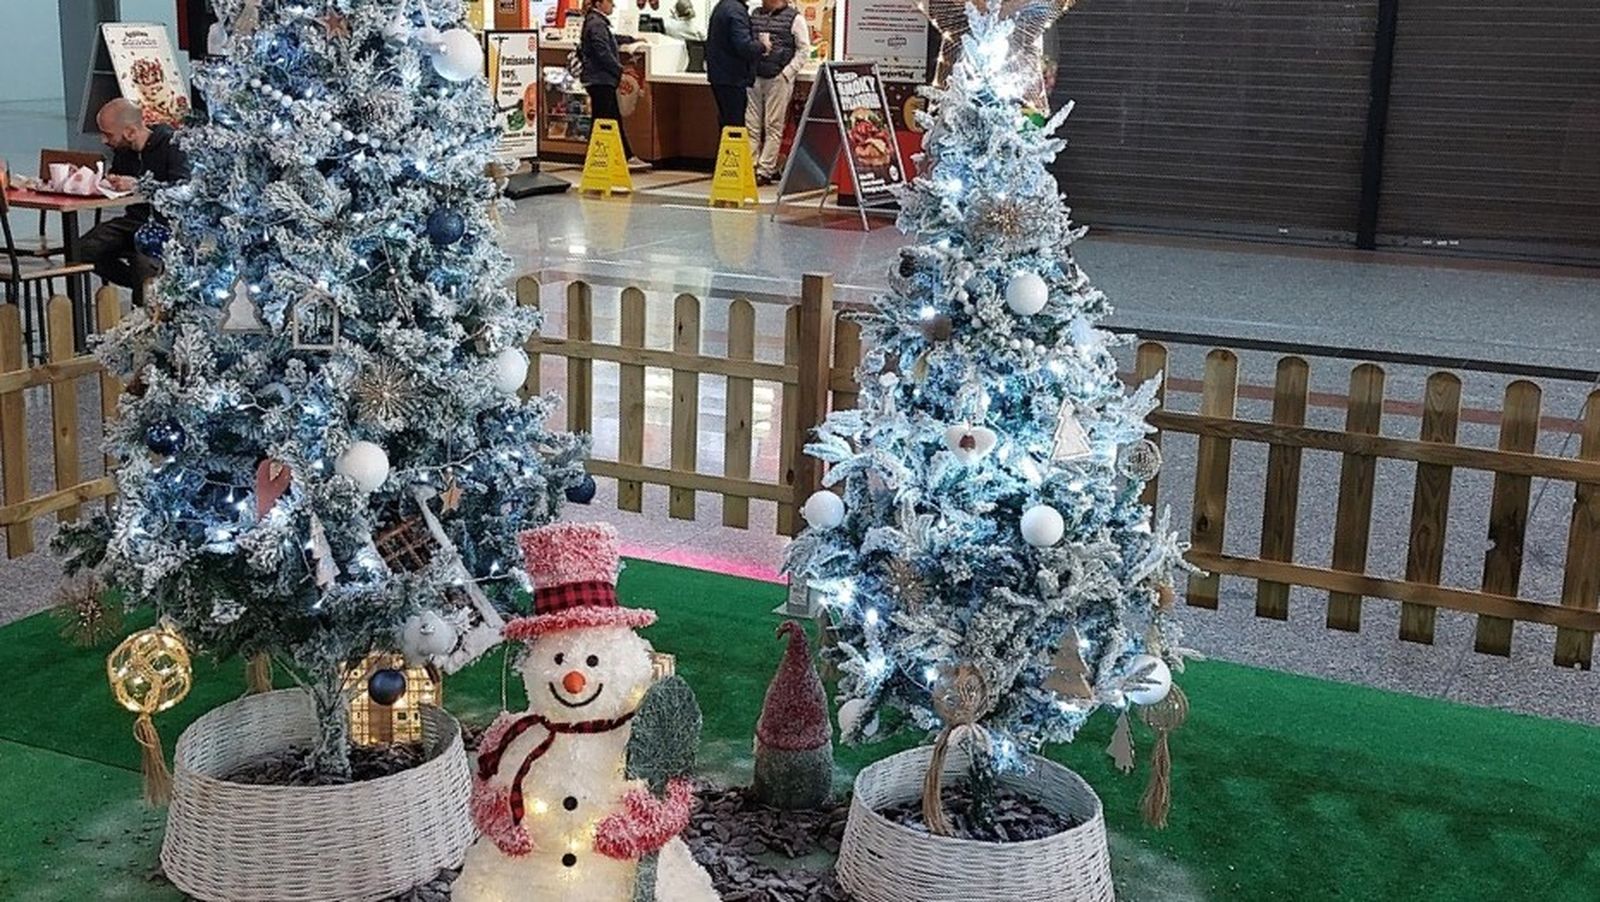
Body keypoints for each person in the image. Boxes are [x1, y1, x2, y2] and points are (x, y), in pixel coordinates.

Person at [75, 99, 190, 304]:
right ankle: (144, 287)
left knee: (144, 262)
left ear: (129, 131)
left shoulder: (174, 145)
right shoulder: (124, 151)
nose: (103, 140)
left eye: (108, 134)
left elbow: (183, 191)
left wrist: (138, 185)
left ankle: (146, 307)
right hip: (134, 222)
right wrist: (103, 182)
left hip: (168, 226)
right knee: (82, 249)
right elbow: (117, 179)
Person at [580, 0, 649, 170]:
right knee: (607, 119)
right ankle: (619, 157)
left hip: (598, 79)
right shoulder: (596, 23)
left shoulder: (596, 22)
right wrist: (620, 71)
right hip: (601, 79)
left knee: (606, 119)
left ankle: (607, 157)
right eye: (610, 2)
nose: (613, 6)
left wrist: (631, 39)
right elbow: (602, 51)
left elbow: (610, 39)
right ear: (599, 3)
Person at [746, 0, 810, 184]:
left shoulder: (795, 18)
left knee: (773, 125)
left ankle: (765, 170)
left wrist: (787, 74)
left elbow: (804, 49)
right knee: (751, 125)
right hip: (755, 76)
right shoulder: (755, 14)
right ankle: (751, 166)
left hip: (778, 78)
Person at [705, 0, 760, 130]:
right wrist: (762, 46)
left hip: (720, 74)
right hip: (733, 77)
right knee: (735, 126)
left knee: (726, 123)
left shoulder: (722, 6)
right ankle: (733, 151)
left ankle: (726, 150)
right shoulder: (736, 11)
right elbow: (744, 46)